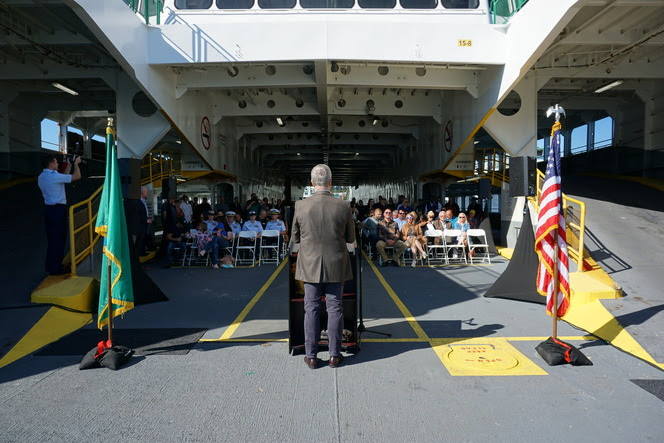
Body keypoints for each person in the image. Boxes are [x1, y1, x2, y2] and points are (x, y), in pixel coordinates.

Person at [292, 164, 355, 369]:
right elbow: (351, 237)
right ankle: (334, 355)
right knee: (335, 307)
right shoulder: (343, 206)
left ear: (312, 183)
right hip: (336, 263)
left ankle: (311, 356)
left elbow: (294, 237)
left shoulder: (300, 206)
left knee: (311, 309)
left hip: (309, 264)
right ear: (331, 182)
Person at [38, 154, 82, 275]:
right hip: (58, 210)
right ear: (51, 164)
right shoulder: (53, 177)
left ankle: (52, 265)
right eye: (56, 162)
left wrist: (69, 165)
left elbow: (63, 176)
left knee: (52, 239)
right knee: (59, 239)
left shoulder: (42, 176)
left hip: (49, 210)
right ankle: (56, 268)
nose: (58, 164)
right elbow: (76, 177)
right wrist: (76, 164)